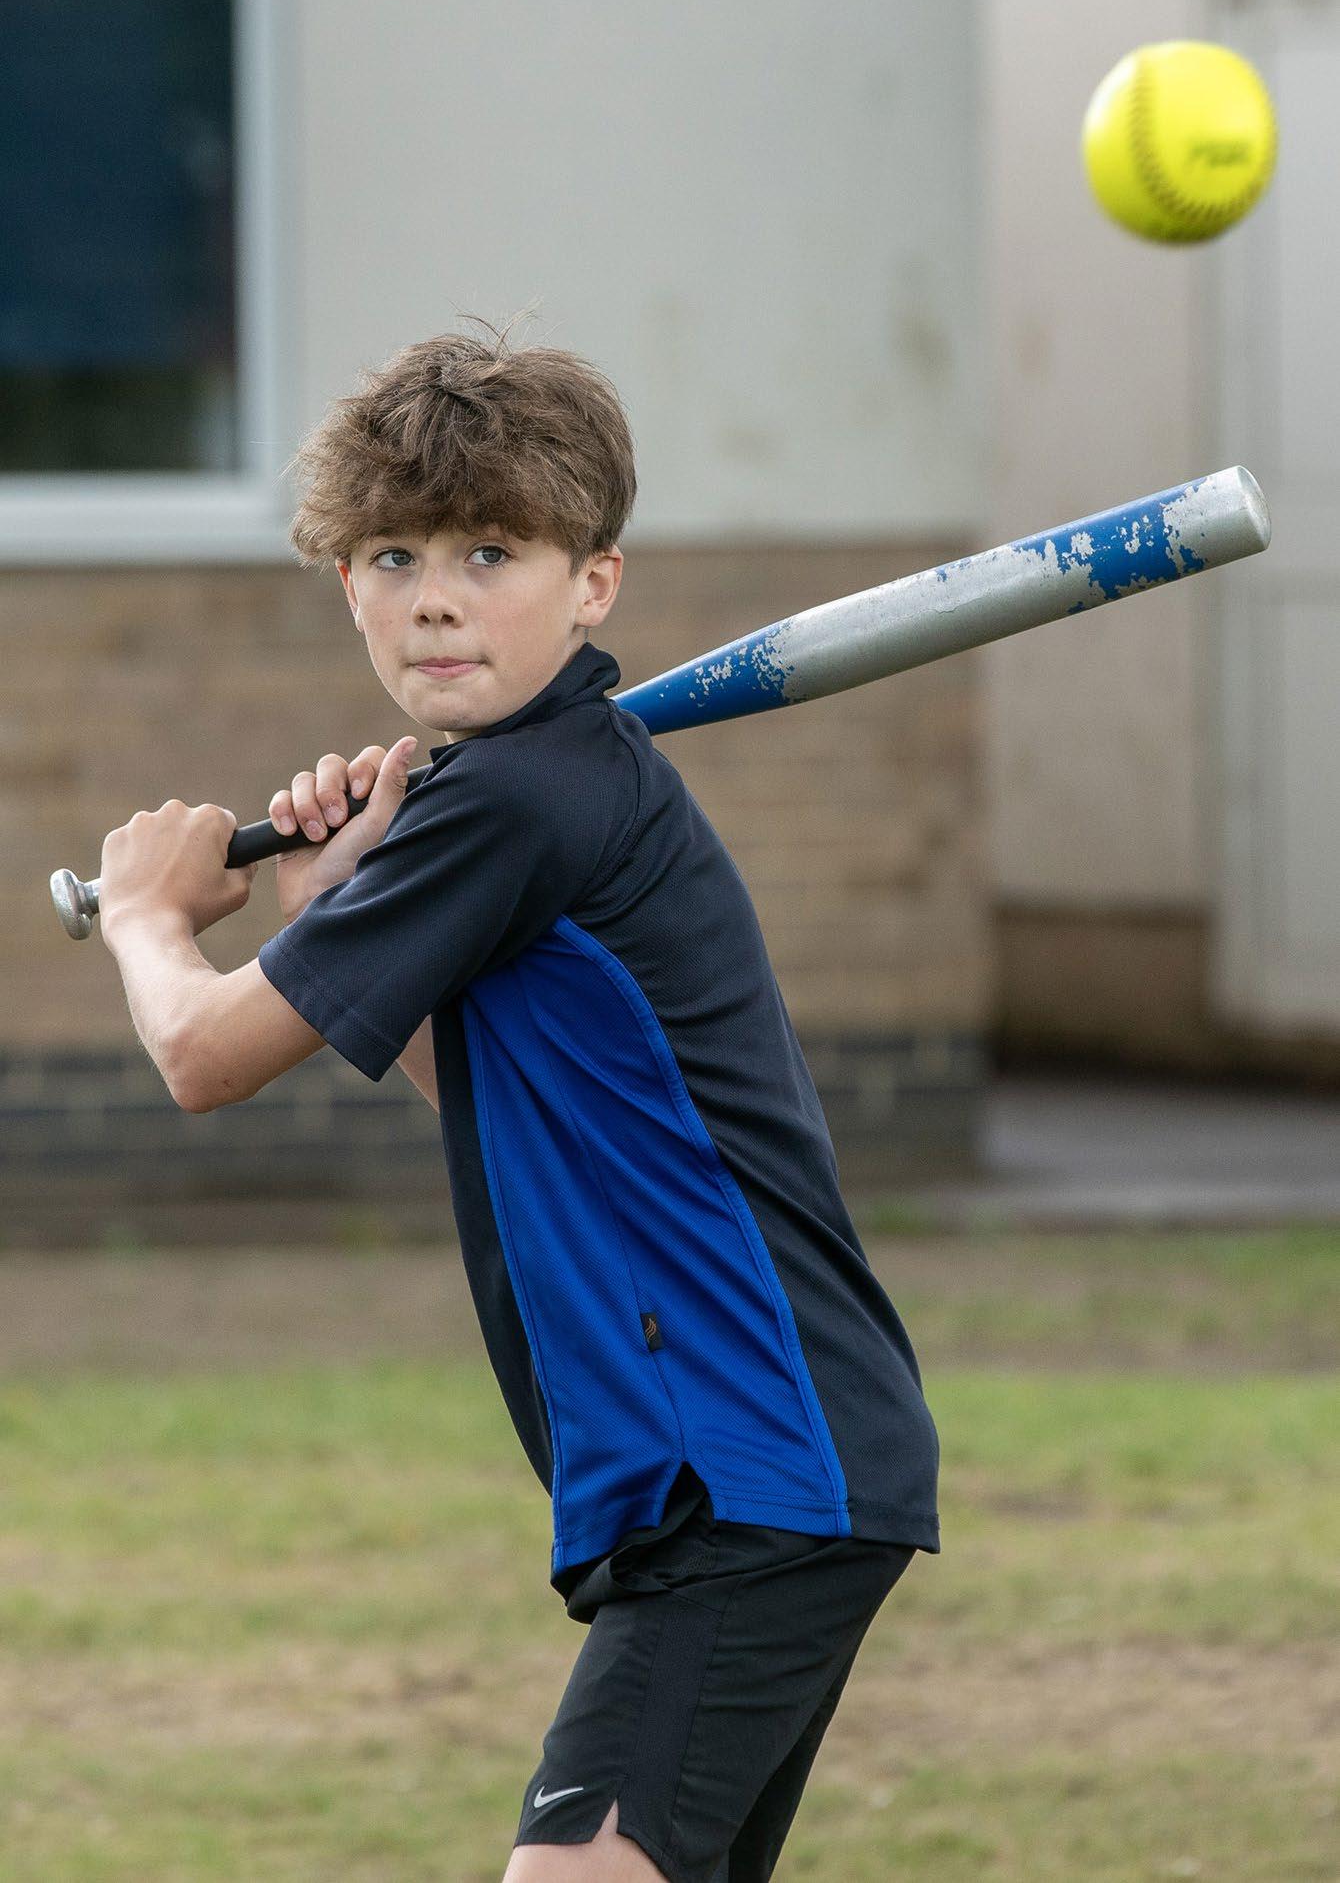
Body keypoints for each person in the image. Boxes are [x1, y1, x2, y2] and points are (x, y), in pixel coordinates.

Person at [95, 315, 941, 1883]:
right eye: (395, 556)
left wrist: (148, 915)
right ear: (343, 582)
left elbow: (201, 1056)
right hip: (757, 1466)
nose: (437, 597)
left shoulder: (521, 795)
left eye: (492, 553)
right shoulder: (523, 790)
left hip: (745, 1468)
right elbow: (505, 1103)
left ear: (594, 581)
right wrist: (332, 909)